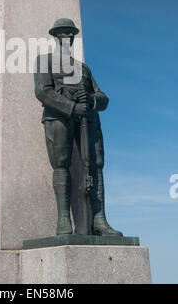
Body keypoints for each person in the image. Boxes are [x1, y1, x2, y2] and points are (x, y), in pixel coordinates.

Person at [34, 18, 122, 236]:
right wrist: (72, 107)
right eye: (63, 34)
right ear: (56, 37)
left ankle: (99, 219)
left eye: (71, 34)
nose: (68, 38)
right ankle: (64, 219)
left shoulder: (83, 68)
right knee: (61, 164)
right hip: (59, 118)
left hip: (88, 121)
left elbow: (103, 96)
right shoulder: (44, 61)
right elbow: (43, 91)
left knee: (95, 164)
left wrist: (91, 101)